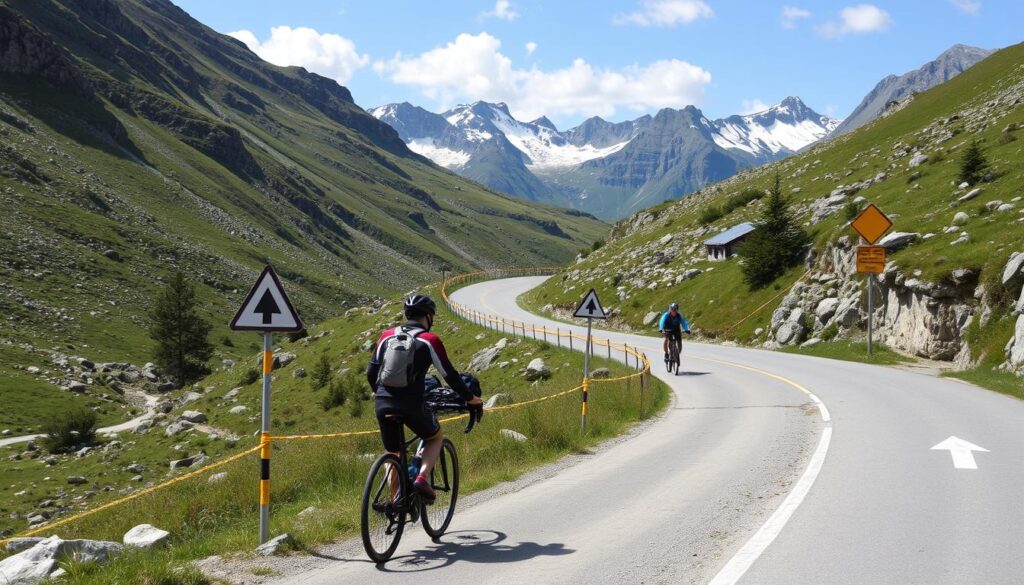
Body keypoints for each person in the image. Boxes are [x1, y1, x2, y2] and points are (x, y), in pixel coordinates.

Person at [366, 294, 483, 501]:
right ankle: (422, 477)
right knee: (434, 437)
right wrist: (470, 398)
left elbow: (370, 373)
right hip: (411, 403)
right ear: (428, 317)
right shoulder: (429, 340)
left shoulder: (386, 335)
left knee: (392, 452)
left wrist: (378, 390)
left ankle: (395, 500)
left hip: (383, 402)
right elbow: (450, 376)